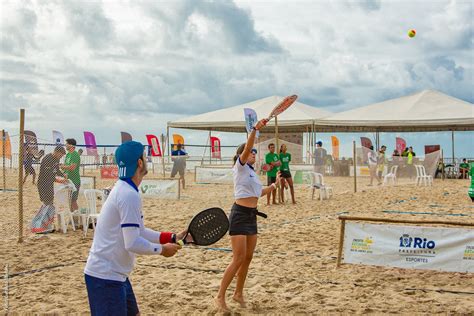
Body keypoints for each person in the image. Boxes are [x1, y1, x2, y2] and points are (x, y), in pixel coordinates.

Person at [84, 141, 188, 315]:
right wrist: (162, 250)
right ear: (139, 163)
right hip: (105, 277)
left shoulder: (125, 189)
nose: (146, 159)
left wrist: (172, 237)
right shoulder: (128, 194)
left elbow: (139, 231)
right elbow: (132, 243)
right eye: (144, 157)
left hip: (117, 275)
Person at [215, 119, 281, 312]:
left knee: (248, 257)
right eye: (252, 152)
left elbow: (258, 193)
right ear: (243, 154)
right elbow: (248, 147)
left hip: (252, 215)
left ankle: (238, 293)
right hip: (239, 214)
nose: (254, 154)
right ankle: (220, 296)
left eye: (254, 152)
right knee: (238, 258)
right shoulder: (240, 165)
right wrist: (254, 130)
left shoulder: (251, 173)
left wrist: (274, 185)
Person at [61, 139, 81, 211]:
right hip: (68, 181)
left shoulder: (75, 154)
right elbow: (66, 168)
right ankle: (72, 218)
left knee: (73, 201)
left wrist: (62, 166)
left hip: (75, 181)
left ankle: (77, 216)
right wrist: (63, 172)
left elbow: (72, 167)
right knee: (70, 201)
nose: (65, 145)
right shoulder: (68, 155)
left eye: (67, 143)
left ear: (71, 145)